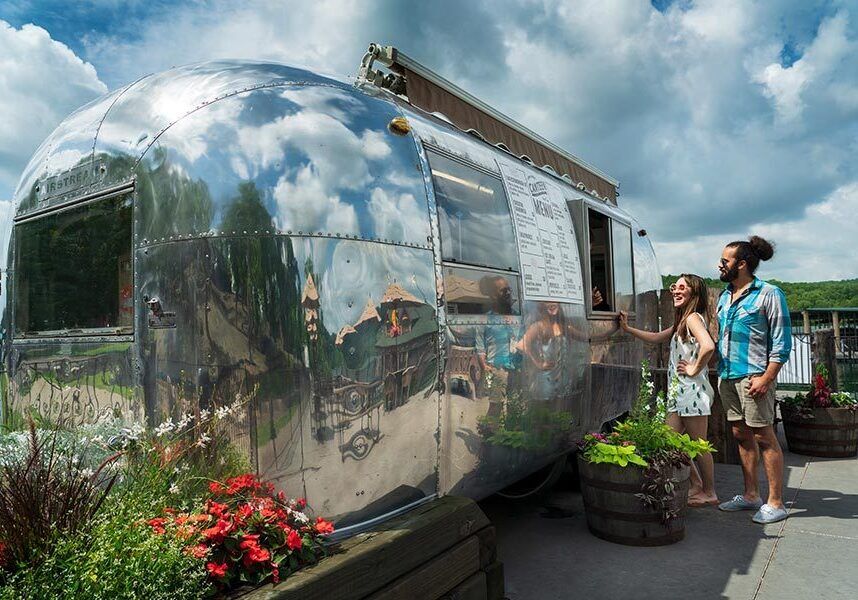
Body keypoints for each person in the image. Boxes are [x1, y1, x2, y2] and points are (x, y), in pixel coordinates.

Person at [619, 274, 718, 507]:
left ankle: (710, 491)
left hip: (692, 392)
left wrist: (694, 368)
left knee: (699, 444)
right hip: (679, 393)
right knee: (669, 441)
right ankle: (695, 484)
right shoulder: (682, 321)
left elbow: (709, 346)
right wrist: (627, 329)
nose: (676, 290)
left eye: (682, 287)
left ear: (694, 293)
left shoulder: (693, 318)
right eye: (675, 286)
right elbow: (655, 338)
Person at [715, 236, 791, 524]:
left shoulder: (769, 294)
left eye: (725, 261)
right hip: (728, 376)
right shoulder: (724, 296)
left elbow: (781, 344)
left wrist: (767, 377)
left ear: (742, 264)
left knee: (763, 436)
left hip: (754, 378)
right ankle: (750, 496)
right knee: (740, 436)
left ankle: (776, 502)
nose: (720, 265)